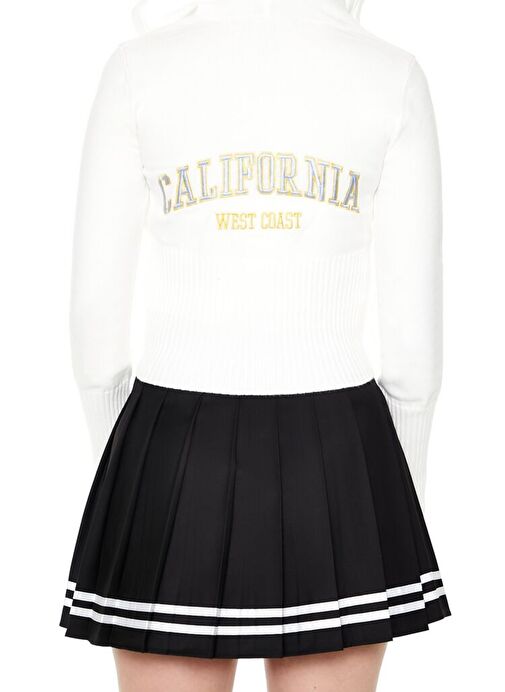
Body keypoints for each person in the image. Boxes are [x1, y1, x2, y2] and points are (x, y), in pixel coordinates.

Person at [59, 1, 451, 690]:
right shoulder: (391, 73)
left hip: (170, 440)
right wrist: (392, 491)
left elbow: (95, 319)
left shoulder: (137, 67)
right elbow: (413, 346)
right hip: (339, 451)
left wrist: (126, 464)